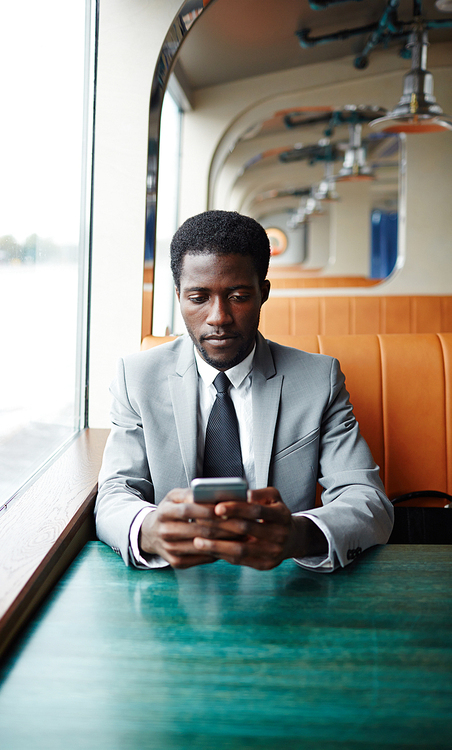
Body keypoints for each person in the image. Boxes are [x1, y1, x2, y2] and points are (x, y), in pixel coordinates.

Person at [95, 210, 393, 572]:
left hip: (282, 581)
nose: (218, 317)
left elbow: (368, 500)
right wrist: (147, 529)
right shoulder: (137, 377)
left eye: (237, 296)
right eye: (198, 297)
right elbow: (114, 493)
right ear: (178, 296)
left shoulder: (319, 380)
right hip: (174, 580)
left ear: (262, 294)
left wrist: (300, 535)